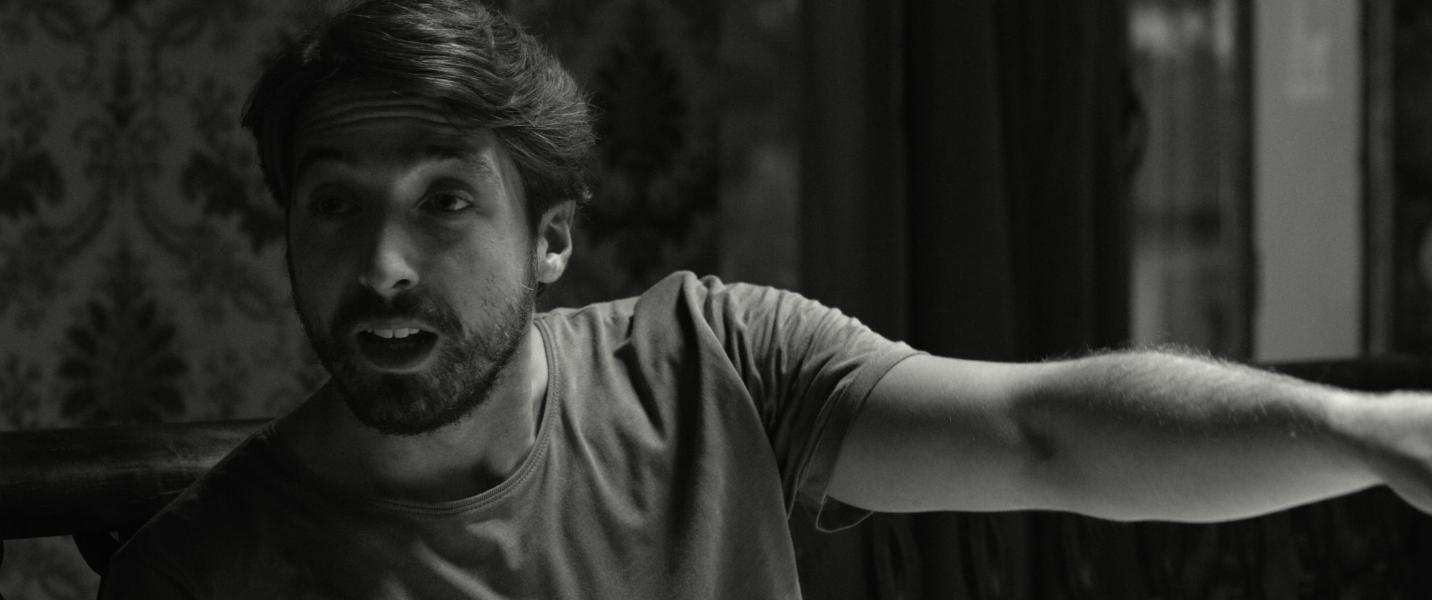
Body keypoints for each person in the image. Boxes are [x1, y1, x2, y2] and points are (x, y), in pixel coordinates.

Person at [102, 0, 1432, 598]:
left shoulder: (710, 363)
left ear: (552, 239)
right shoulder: (201, 572)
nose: (384, 264)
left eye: (444, 201)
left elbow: (1044, 435)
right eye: (335, 205)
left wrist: (1372, 433)